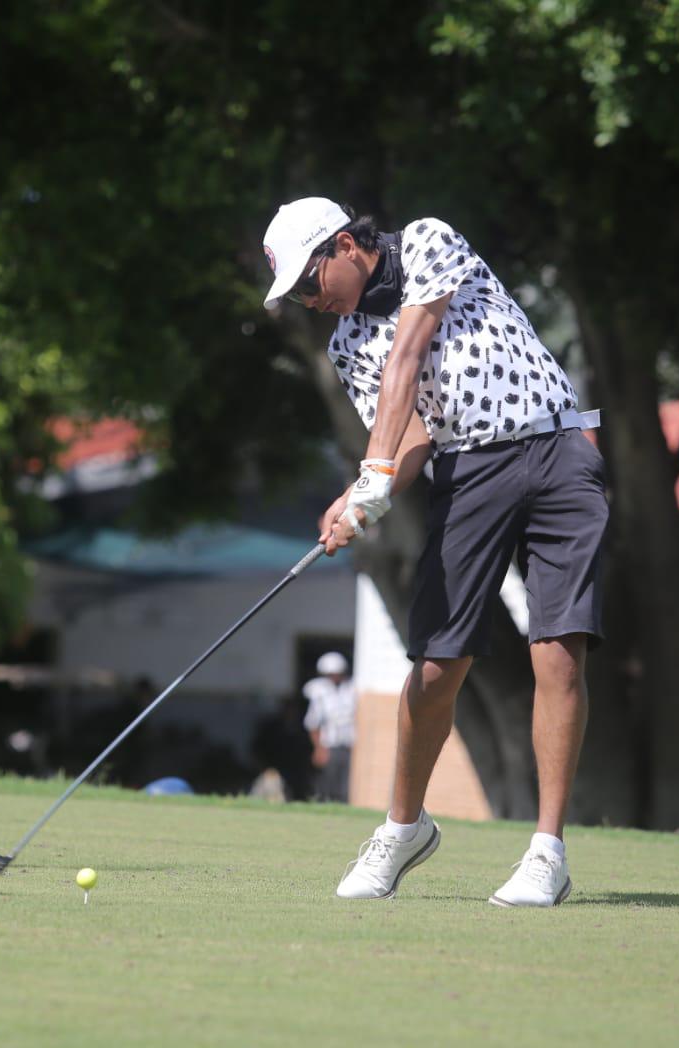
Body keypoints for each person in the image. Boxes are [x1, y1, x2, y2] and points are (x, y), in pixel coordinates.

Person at [259, 198, 608, 907]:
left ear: (347, 246)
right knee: (436, 666)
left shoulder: (426, 242)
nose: (307, 298)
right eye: (294, 291)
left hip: (556, 447)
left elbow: (410, 355)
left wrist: (372, 476)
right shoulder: (345, 344)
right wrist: (359, 497)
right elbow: (413, 433)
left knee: (558, 650)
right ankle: (403, 828)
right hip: (470, 473)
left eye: (309, 280)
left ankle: (547, 852)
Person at [302, 651, 357, 802]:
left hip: (348, 746)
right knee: (328, 786)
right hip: (330, 747)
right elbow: (313, 723)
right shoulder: (319, 692)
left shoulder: (350, 689)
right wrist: (319, 748)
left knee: (345, 788)